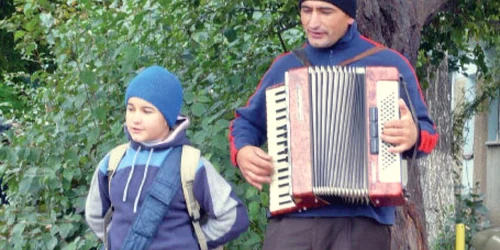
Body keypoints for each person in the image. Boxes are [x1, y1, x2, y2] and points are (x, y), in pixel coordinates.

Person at [228, 0, 439, 249]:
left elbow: (428, 134)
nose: (313, 22)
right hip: (294, 219)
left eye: (325, 11)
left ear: (349, 16)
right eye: (306, 10)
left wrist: (413, 135)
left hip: (363, 222)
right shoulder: (285, 67)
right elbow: (245, 123)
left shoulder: (389, 64)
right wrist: (242, 151)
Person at [86, 65, 249, 250]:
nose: (135, 118)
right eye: (131, 109)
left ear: (168, 117)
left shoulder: (190, 165)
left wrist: (194, 243)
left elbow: (233, 216)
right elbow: (94, 214)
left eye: (147, 111)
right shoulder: (113, 161)